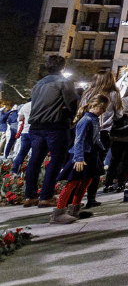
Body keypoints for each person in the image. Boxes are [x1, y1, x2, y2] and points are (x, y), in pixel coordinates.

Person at [24, 55, 79, 208]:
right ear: (63, 66)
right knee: (56, 160)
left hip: (35, 126)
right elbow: (72, 103)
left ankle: (30, 196)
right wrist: (70, 114)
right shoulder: (64, 82)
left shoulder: (38, 83)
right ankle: (46, 196)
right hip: (55, 125)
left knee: (35, 160)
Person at [52, 95, 109, 224]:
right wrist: (78, 158)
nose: (104, 111)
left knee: (86, 181)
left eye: (105, 108)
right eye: (102, 108)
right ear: (93, 106)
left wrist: (100, 147)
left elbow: (94, 138)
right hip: (81, 155)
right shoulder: (86, 120)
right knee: (73, 182)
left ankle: (75, 208)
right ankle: (59, 212)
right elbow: (79, 140)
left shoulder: (94, 119)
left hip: (91, 154)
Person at [76, 71, 122, 207]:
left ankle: (75, 198)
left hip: (86, 129)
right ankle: (91, 198)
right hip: (103, 132)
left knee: (83, 163)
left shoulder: (88, 92)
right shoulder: (113, 94)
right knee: (96, 165)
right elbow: (119, 114)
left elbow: (82, 109)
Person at [11, 100, 32, 173]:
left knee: (22, 153)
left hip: (25, 131)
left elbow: (19, 118)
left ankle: (14, 170)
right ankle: (30, 172)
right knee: (34, 154)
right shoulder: (39, 104)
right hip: (35, 132)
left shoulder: (25, 106)